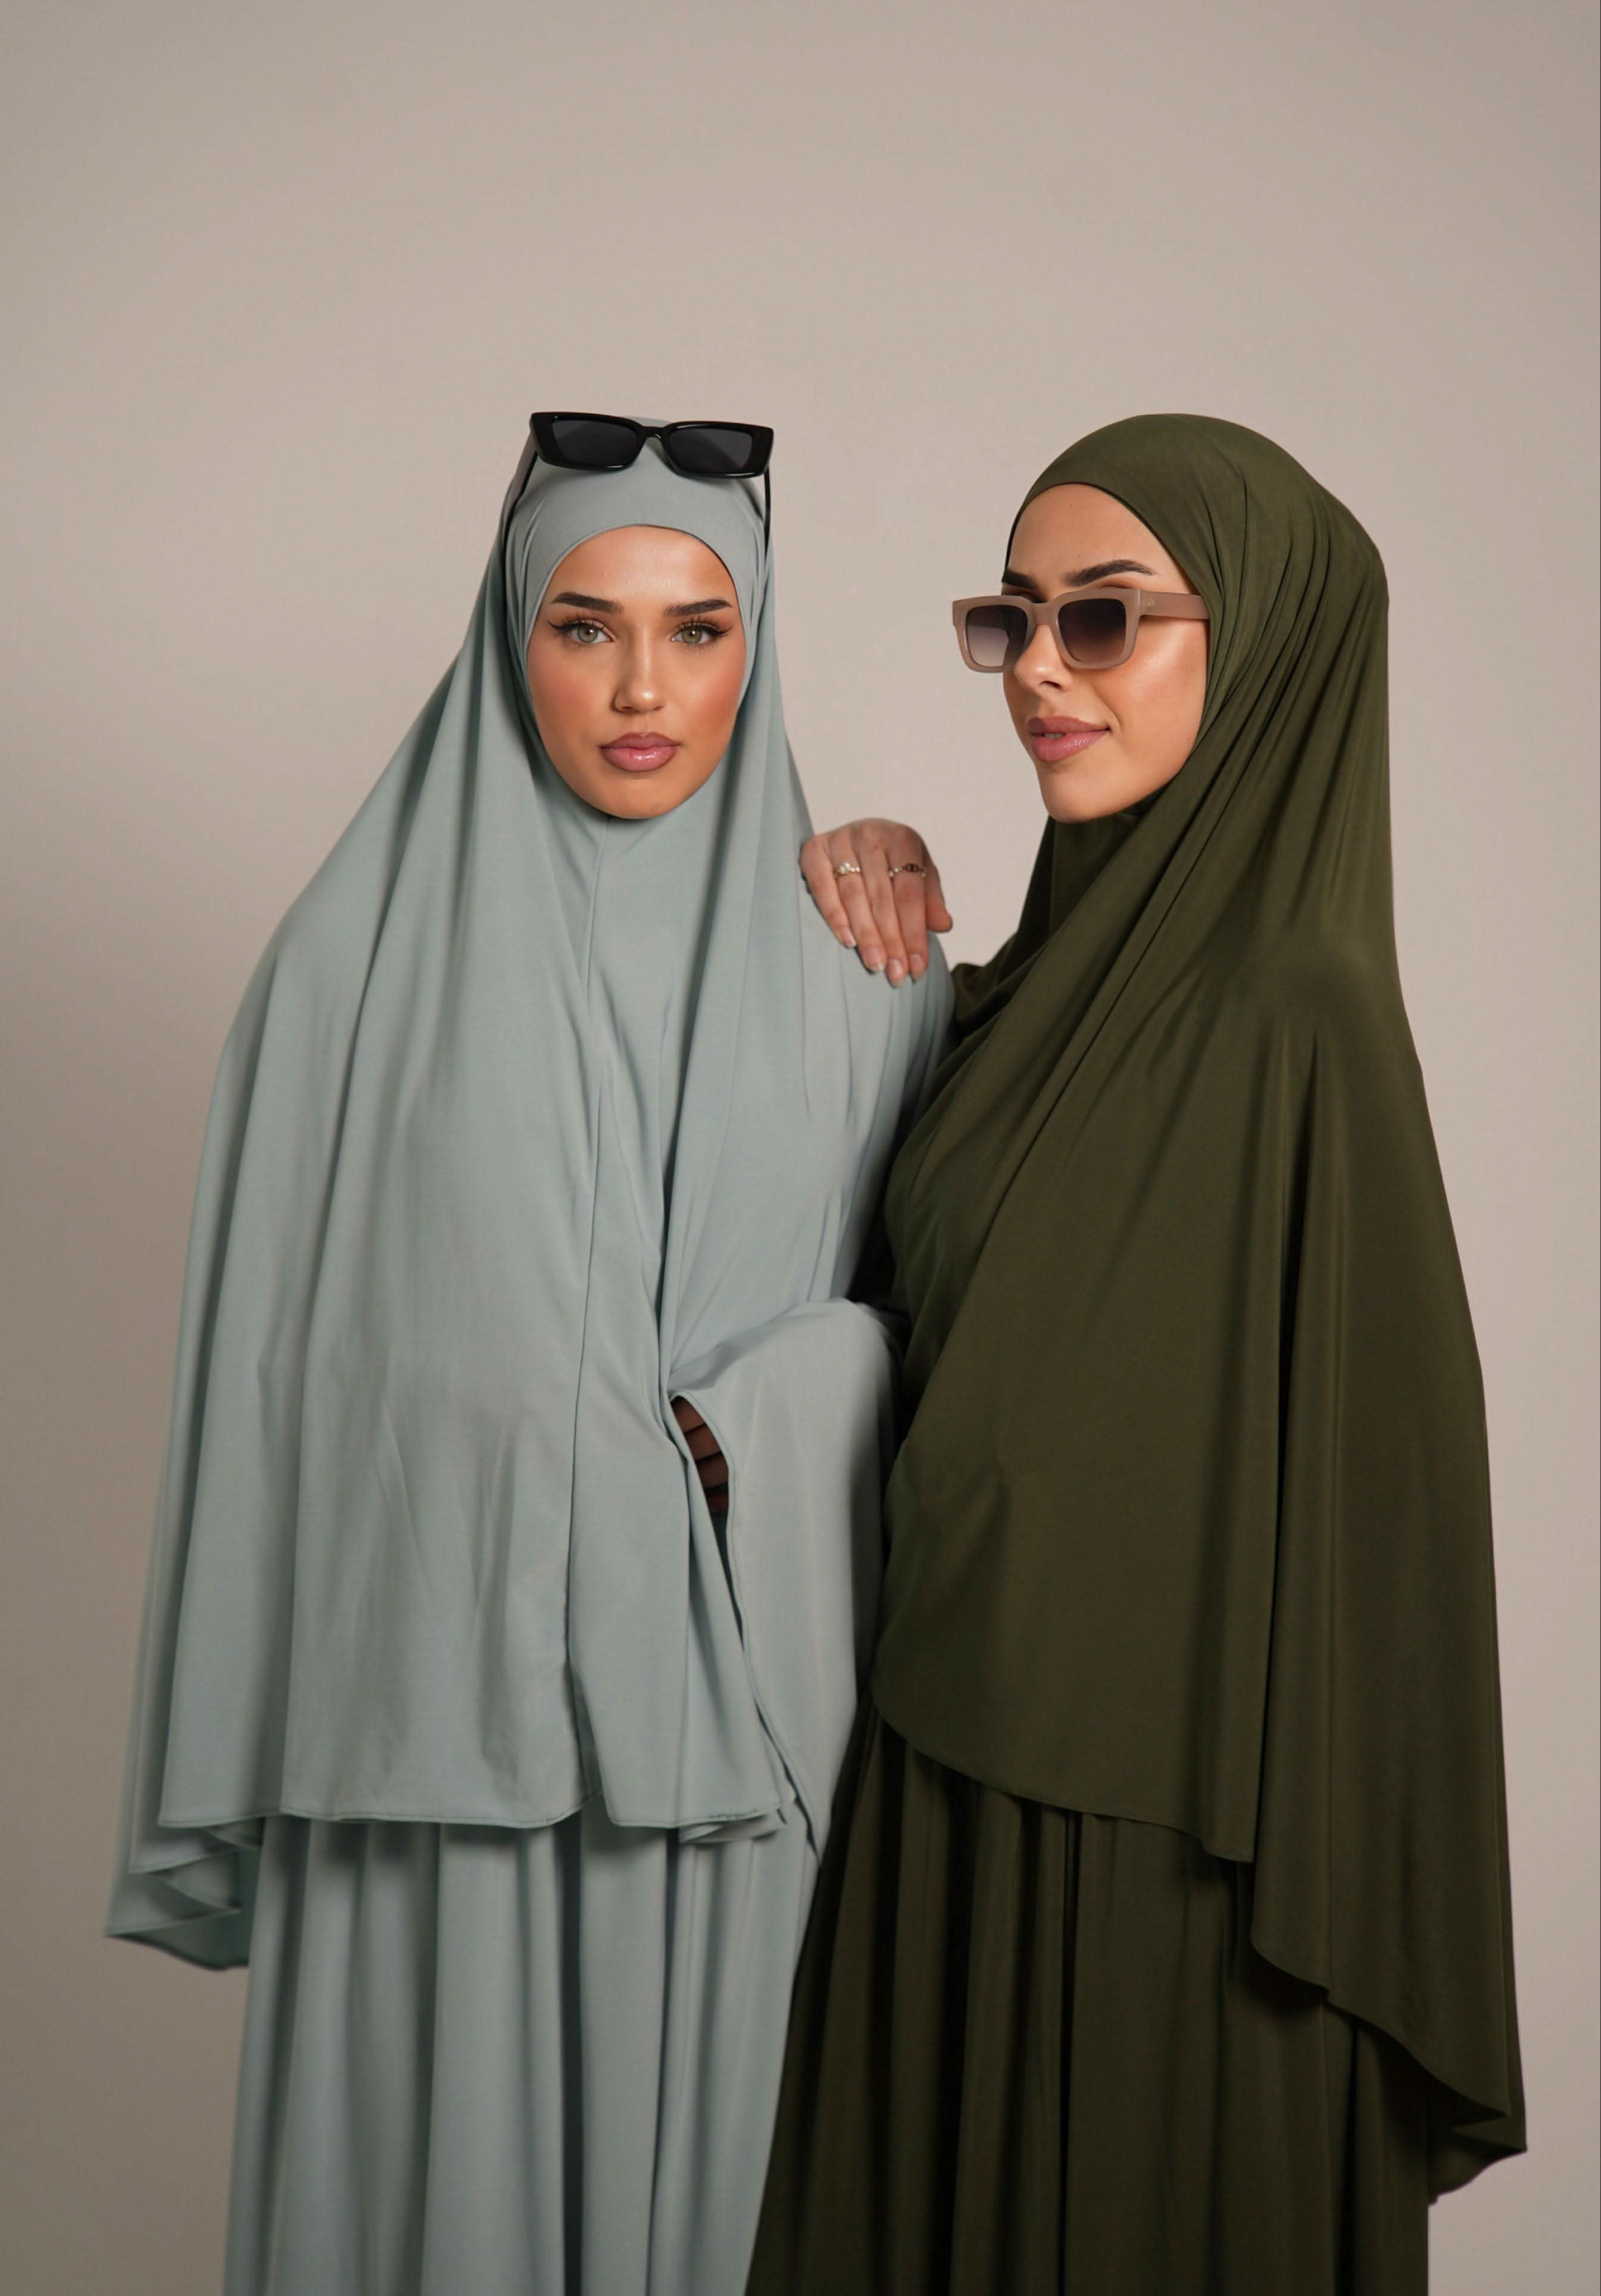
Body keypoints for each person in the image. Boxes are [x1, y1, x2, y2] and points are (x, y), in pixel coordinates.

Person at [105, 413, 950, 2296]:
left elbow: (962, 1344)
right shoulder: (341, 972)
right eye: (585, 626)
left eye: (698, 629)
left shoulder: (872, 967)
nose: (642, 689)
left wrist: (751, 1424)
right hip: (421, 1753)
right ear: (509, 637)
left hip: (731, 1747)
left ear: (757, 647)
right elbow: (257, 1387)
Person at [751, 413, 1524, 2295]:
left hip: (1173, 1864)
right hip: (943, 1791)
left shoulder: (1298, 1025)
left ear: (1259, 649)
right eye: (1010, 618)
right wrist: (821, 888)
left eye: (1102, 618)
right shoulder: (1005, 1011)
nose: (1038, 669)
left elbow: (1382, 1532)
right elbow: (827, 1277)